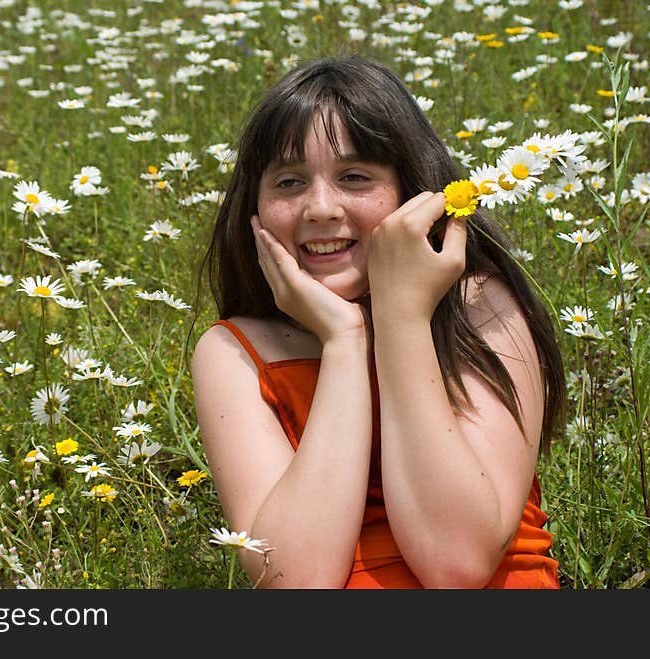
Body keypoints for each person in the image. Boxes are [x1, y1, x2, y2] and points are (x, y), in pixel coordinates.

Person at [190, 54, 566, 589]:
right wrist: (344, 341)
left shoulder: (480, 309)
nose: (320, 207)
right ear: (253, 207)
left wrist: (402, 317)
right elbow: (297, 581)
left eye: (355, 176)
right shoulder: (233, 354)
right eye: (289, 182)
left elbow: (457, 563)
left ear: (413, 190)